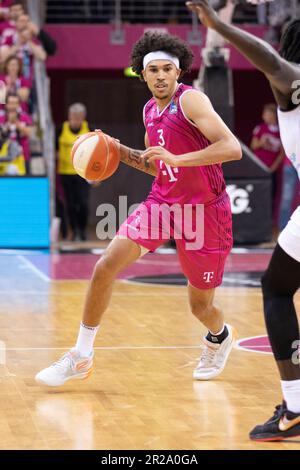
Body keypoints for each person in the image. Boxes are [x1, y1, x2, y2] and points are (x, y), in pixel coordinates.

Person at [35, 31, 242, 387]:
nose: (160, 76)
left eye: (167, 69)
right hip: (163, 202)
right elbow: (157, 165)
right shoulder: (149, 110)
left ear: (178, 73)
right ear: (142, 75)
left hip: (205, 212)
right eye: (153, 70)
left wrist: (178, 157)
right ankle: (81, 355)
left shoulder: (191, 101)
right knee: (105, 265)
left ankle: (220, 336)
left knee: (200, 307)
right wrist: (117, 150)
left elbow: (231, 148)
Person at [186, 0, 300, 441]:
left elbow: (269, 60)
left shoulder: (292, 80)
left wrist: (217, 25)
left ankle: (295, 405)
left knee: (275, 289)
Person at [57, 102, 90, 241]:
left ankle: (82, 230)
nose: (75, 120)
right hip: (66, 173)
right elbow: (55, 151)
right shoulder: (61, 129)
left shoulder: (89, 130)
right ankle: (74, 230)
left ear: (83, 117)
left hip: (83, 173)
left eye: (78, 117)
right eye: (73, 117)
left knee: (83, 203)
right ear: (69, 116)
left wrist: (97, 176)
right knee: (70, 204)